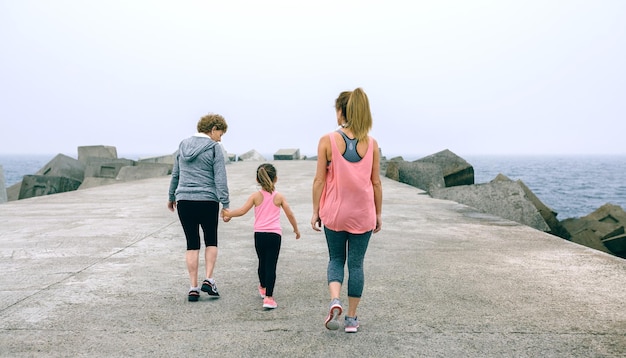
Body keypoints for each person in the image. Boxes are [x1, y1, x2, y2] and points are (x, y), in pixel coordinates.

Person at [311, 88, 383, 333]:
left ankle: (335, 300)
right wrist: (378, 214)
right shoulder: (372, 144)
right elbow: (376, 183)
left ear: (342, 110)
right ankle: (352, 319)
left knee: (335, 259)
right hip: (363, 213)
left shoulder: (327, 140)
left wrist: (315, 211)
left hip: (334, 212)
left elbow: (319, 180)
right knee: (356, 264)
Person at [168, 113, 230, 302]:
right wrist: (225, 203)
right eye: (220, 133)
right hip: (207, 201)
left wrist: (171, 196)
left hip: (184, 201)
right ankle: (209, 279)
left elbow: (175, 174)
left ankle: (193, 287)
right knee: (211, 240)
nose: (220, 137)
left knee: (191, 244)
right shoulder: (214, 148)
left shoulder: (183, 145)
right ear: (213, 129)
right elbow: (220, 178)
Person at [222, 163, 301, 309]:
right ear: (275, 179)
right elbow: (290, 213)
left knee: (262, 262)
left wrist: (228, 214)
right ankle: (269, 298)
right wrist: (296, 229)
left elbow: (241, 211)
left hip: (259, 235)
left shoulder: (256, 196)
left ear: (258, 180)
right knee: (271, 265)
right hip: (274, 235)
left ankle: (263, 287)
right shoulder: (279, 197)